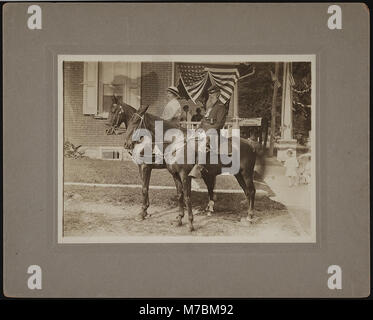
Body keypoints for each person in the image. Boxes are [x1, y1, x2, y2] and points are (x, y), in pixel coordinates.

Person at [189, 84, 228, 178]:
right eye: (210, 94)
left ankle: (199, 167)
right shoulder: (210, 107)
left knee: (203, 142)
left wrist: (208, 131)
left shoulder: (221, 107)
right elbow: (203, 120)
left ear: (218, 95)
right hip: (204, 131)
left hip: (213, 133)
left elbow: (220, 124)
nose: (210, 96)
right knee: (190, 138)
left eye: (213, 94)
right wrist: (197, 129)